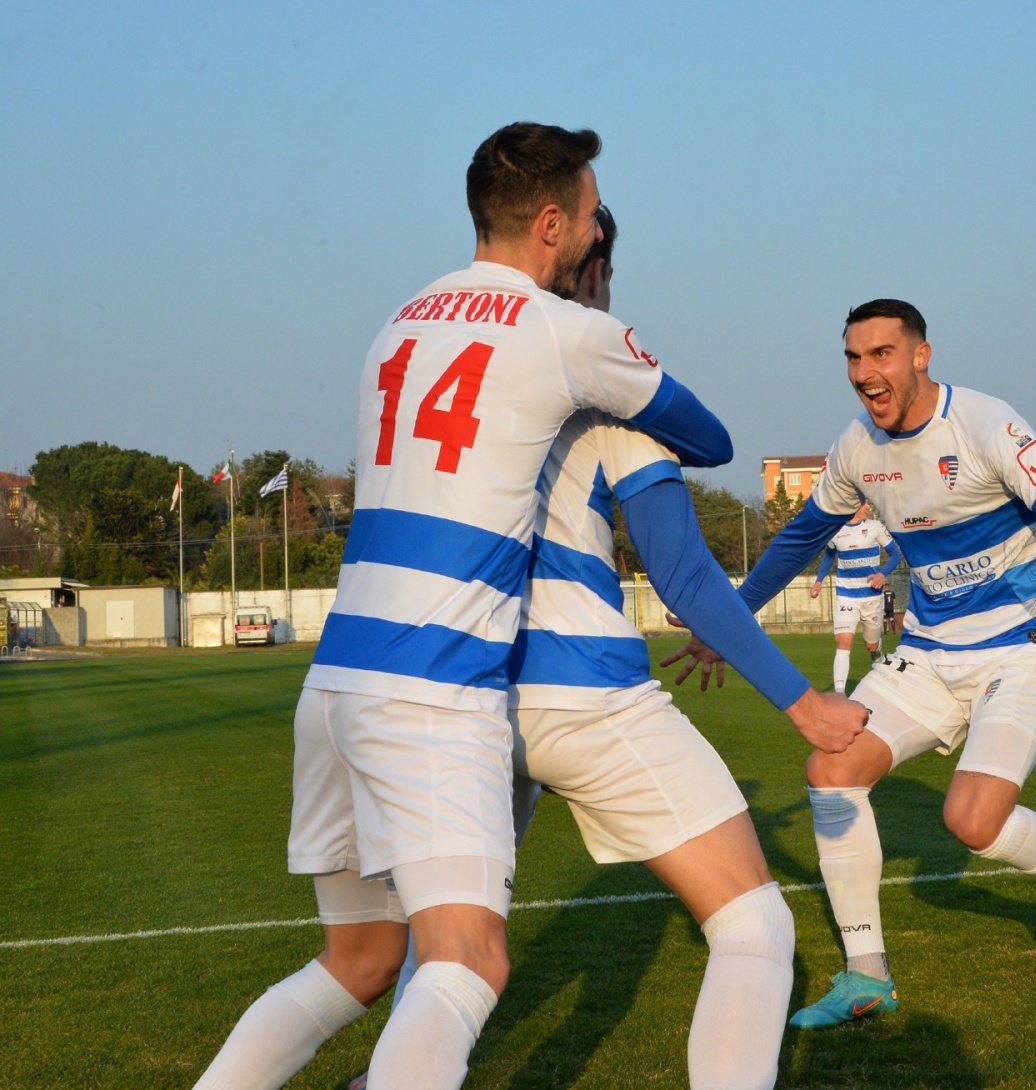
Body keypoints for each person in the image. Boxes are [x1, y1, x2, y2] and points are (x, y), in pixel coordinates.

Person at [193, 122, 741, 1090]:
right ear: (550, 223)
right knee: (467, 960)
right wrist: (609, 345)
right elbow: (709, 438)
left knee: (360, 962)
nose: (586, 229)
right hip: (430, 682)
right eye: (583, 213)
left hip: (335, 682)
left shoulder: (397, 321)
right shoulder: (569, 330)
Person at [345, 205, 867, 1090]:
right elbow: (687, 577)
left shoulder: (437, 358)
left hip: (459, 690)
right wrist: (803, 701)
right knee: (752, 925)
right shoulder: (610, 389)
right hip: (581, 692)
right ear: (590, 265)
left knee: (450, 949)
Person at [672, 299, 1036, 1027]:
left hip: (1025, 641)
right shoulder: (855, 450)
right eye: (853, 357)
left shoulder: (987, 424)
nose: (866, 372)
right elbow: (798, 539)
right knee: (830, 768)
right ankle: (866, 973)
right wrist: (731, 616)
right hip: (932, 651)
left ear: (920, 356)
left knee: (972, 821)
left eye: (881, 354)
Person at [810, 501, 902, 691]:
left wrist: (881, 574)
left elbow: (895, 554)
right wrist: (819, 581)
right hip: (846, 596)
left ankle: (877, 654)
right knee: (844, 643)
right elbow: (829, 556)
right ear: (854, 506)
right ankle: (839, 693)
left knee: (871, 645)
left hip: (872, 597)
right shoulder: (835, 530)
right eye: (865, 504)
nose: (869, 508)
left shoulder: (875, 527)